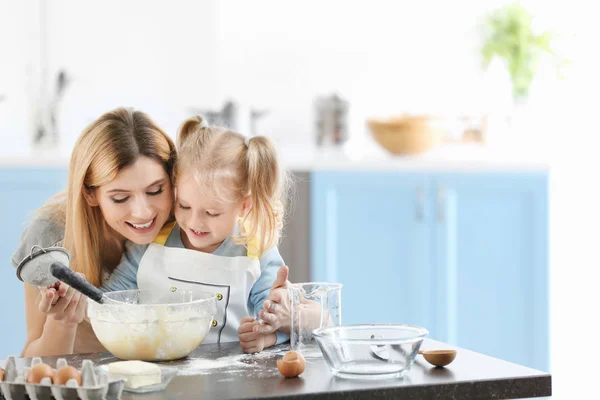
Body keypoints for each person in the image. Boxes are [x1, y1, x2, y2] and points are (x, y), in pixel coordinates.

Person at [101, 116, 292, 353]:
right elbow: (109, 300)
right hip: (158, 374)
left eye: (212, 213)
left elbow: (284, 321)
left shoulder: (256, 251)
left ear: (244, 206)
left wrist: (266, 337)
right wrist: (78, 302)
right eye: (184, 206)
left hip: (232, 383)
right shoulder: (151, 243)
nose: (194, 222)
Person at [11, 107, 177, 357]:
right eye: (120, 198)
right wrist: (62, 322)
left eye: (155, 191)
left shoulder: (190, 220)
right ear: (90, 193)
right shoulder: (51, 239)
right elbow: (31, 361)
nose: (142, 212)